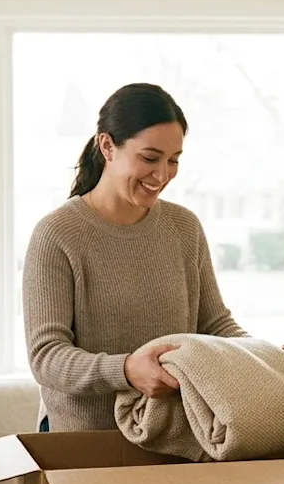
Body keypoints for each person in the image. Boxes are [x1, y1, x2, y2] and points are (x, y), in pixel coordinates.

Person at [21, 83, 252, 434]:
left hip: (175, 437)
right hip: (84, 442)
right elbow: (47, 357)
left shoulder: (183, 227)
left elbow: (214, 325)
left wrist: (258, 357)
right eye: (149, 158)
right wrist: (127, 370)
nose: (162, 175)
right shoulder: (57, 234)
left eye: (173, 160)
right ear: (107, 146)